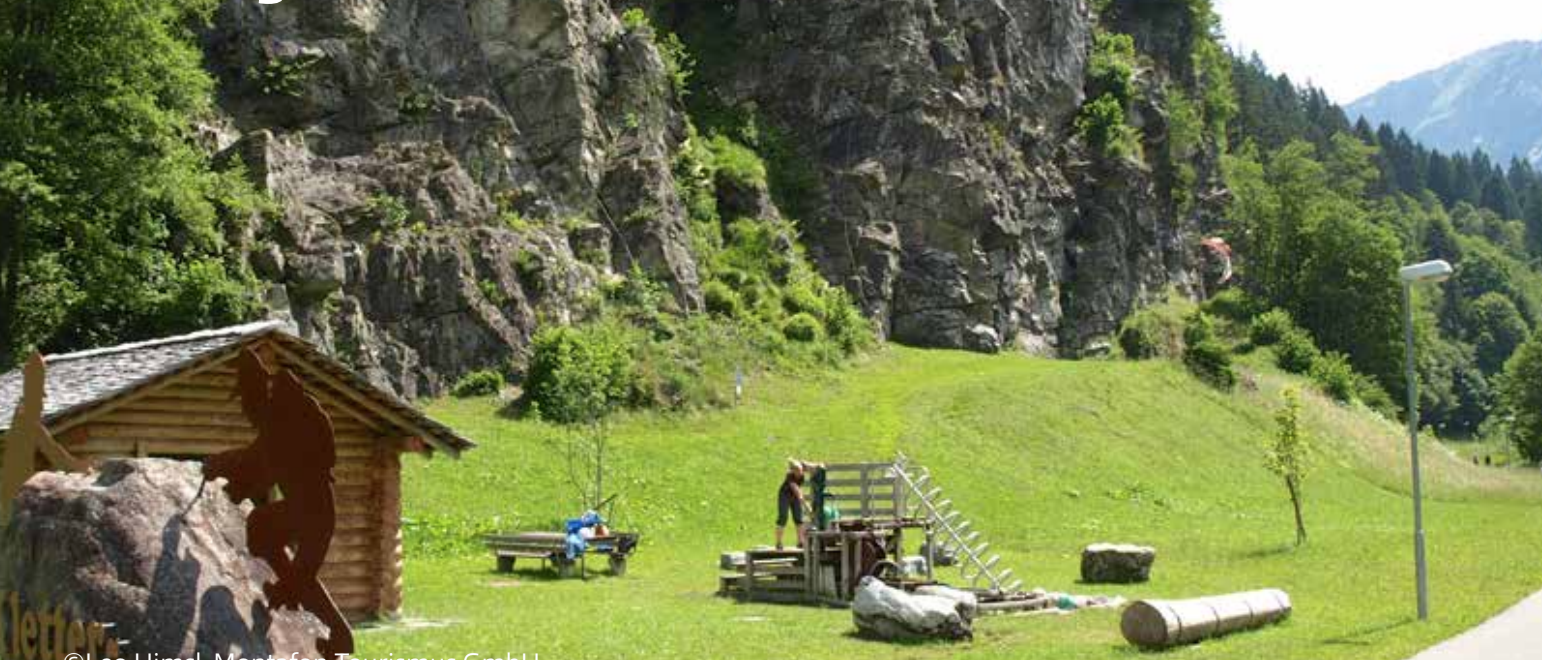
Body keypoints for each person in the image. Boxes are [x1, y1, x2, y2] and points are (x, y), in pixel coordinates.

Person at [775, 460, 809, 550]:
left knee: (799, 518)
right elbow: (796, 490)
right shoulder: (789, 476)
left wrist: (801, 500)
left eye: (800, 470)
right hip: (784, 496)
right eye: (797, 470)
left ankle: (800, 542)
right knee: (783, 517)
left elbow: (798, 490)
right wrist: (806, 505)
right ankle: (779, 542)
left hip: (794, 497)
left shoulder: (802, 477)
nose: (799, 472)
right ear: (793, 471)